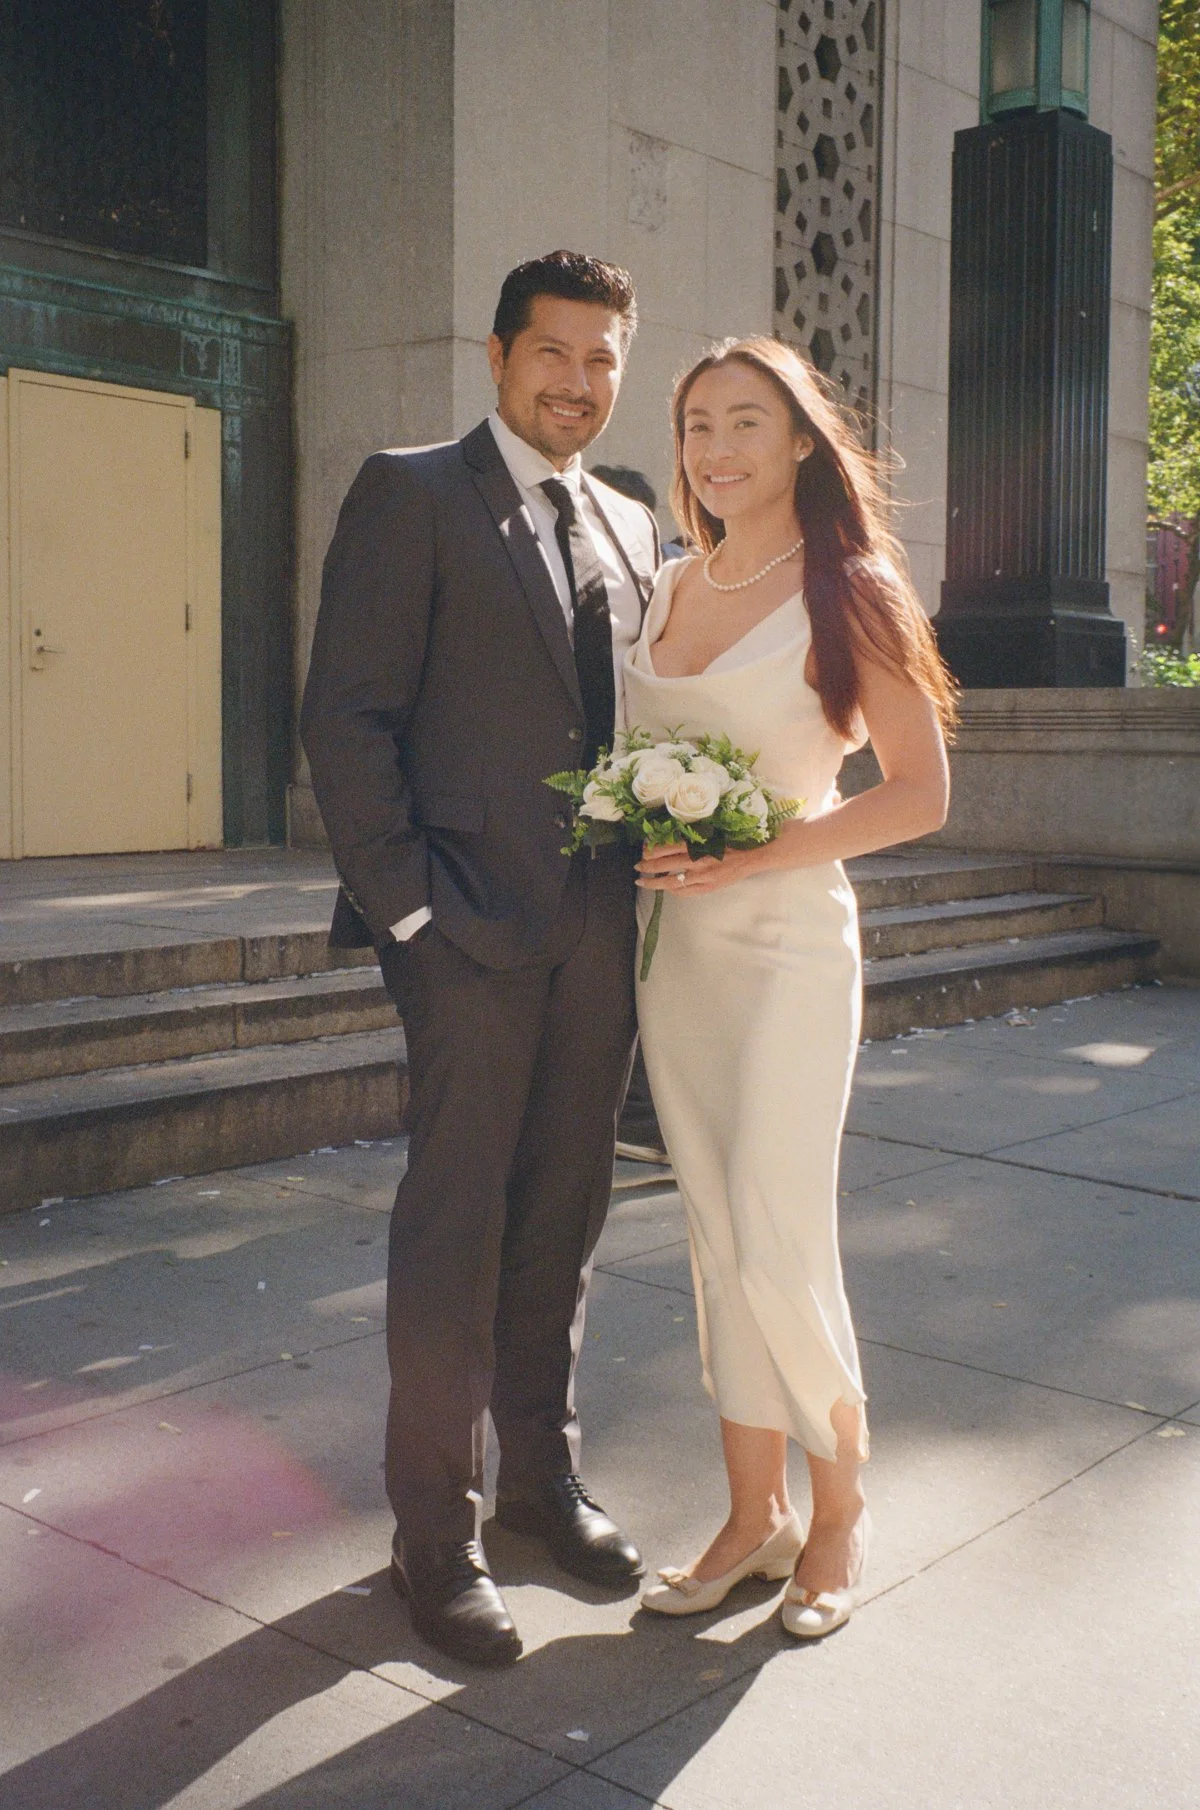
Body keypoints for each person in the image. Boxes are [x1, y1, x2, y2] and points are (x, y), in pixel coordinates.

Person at [300, 251, 660, 1667]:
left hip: (601, 936)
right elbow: (347, 717)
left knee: (563, 1218)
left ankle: (539, 1485)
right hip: (462, 931)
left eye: (603, 360)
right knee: (453, 1230)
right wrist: (409, 918)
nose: (579, 382)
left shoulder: (632, 523)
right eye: (553, 355)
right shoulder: (415, 493)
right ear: (501, 358)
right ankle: (431, 1535)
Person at [626, 337, 955, 1639]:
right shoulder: (662, 589)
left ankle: (838, 1507)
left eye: (746, 422)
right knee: (715, 1229)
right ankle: (750, 1512)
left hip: (790, 950)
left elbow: (923, 794)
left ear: (805, 441)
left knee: (777, 1222)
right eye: (698, 423)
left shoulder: (851, 588)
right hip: (680, 959)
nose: (715, 449)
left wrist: (761, 847)